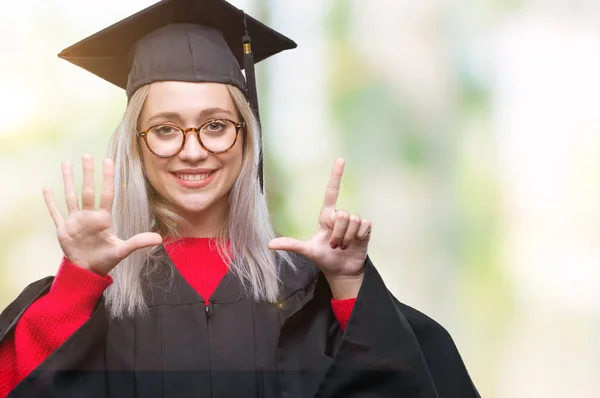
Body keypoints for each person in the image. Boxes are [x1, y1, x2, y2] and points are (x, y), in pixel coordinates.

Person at [0, 0, 480, 397]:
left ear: (247, 140)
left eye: (215, 126)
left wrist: (350, 287)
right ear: (135, 146)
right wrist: (76, 284)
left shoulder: (306, 289)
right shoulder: (97, 294)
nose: (193, 151)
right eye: (165, 129)